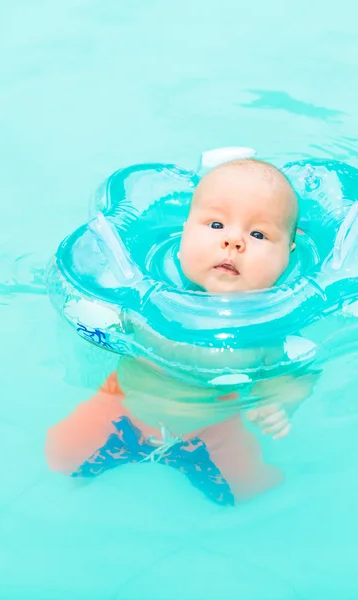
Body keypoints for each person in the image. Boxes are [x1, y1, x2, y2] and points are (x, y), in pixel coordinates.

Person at [46, 159, 319, 506]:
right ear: (186, 230)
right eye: (217, 224)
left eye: (258, 234)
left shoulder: (270, 329)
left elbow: (294, 374)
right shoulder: (144, 294)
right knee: (60, 455)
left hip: (211, 429)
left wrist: (278, 401)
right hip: (124, 408)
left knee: (251, 489)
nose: (233, 241)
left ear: (289, 253)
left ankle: (190, 460)